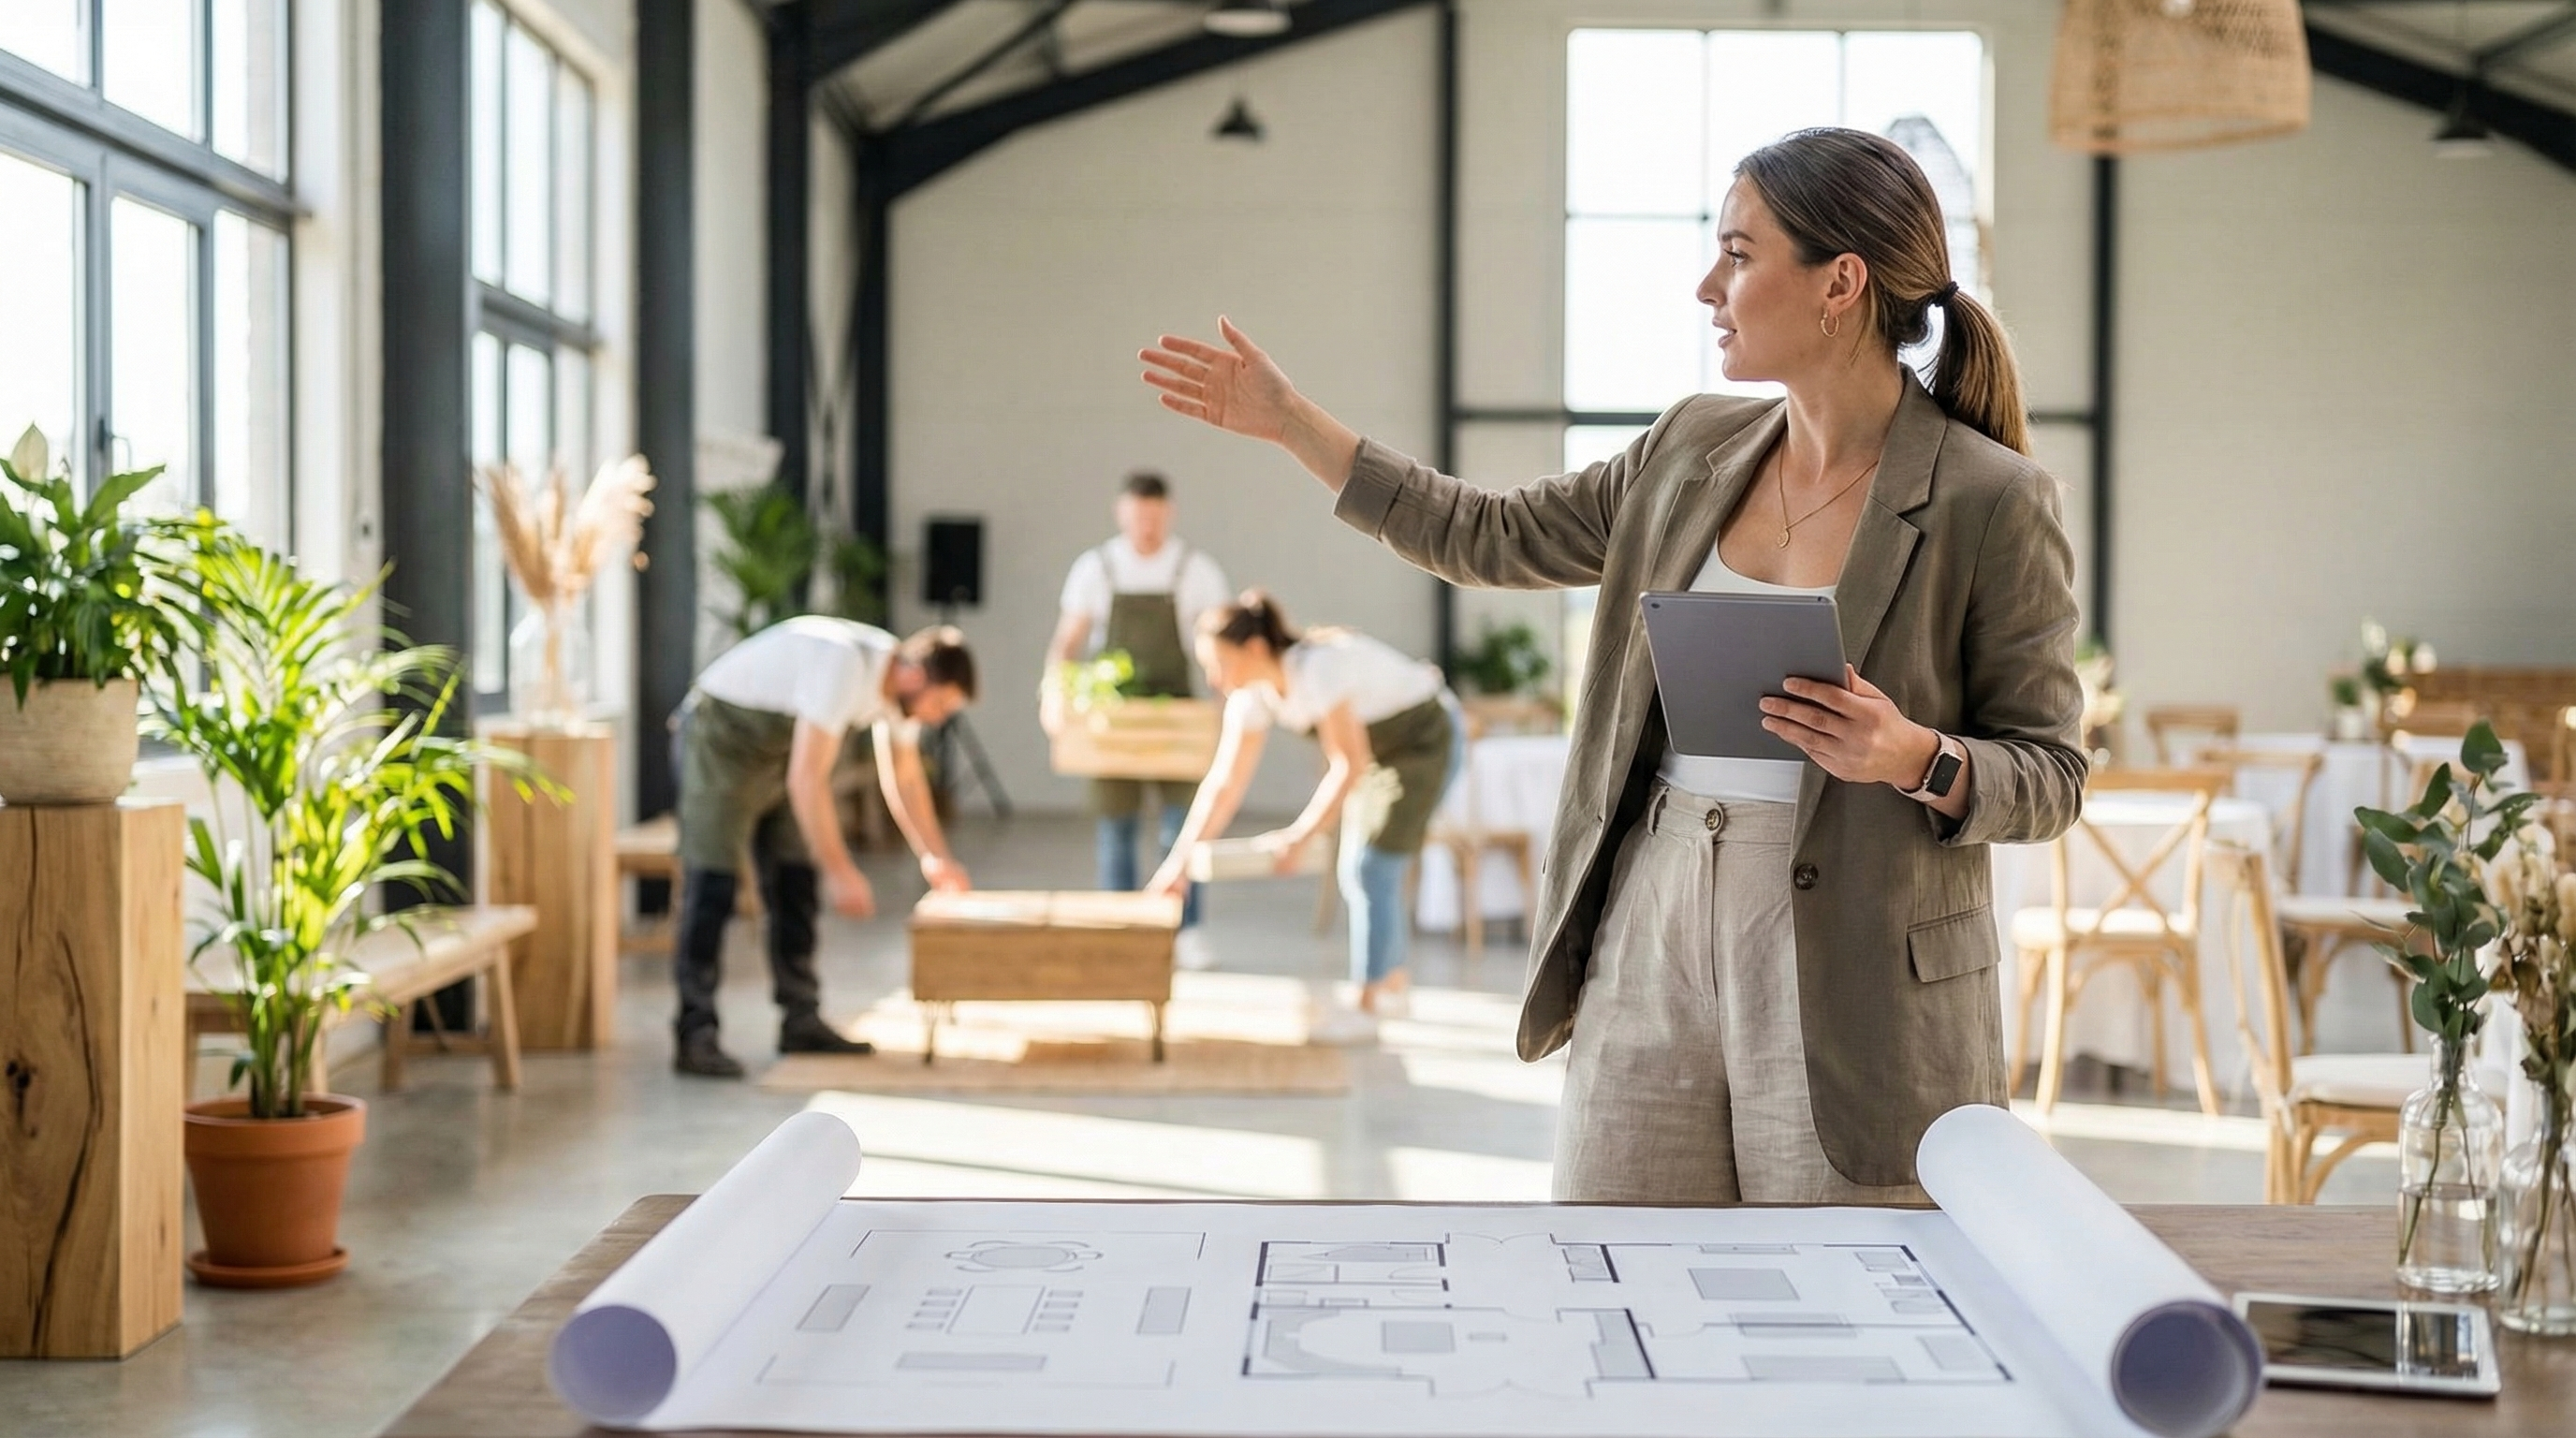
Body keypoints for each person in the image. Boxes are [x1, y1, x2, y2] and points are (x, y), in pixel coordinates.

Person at [1139, 127, 2086, 1202]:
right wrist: (1291, 426)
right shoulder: (1689, 446)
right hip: (1656, 908)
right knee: (1612, 1261)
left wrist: (1917, 755)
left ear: (1841, 283)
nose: (1705, 286)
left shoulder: (1991, 498)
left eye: (1737, 254)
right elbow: (1484, 533)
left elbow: (2052, 775)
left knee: (1842, 1299)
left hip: (1858, 956)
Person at [1145, 594, 1464, 1046]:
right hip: (1377, 754)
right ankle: (1391, 983)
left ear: (1255, 649)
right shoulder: (1252, 697)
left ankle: (1368, 1006)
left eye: (1220, 663)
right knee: (1360, 871)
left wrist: (1297, 836)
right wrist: (1179, 866)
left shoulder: (1318, 670)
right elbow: (1224, 785)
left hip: (1428, 741)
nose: (1215, 679)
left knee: (1372, 867)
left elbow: (1347, 765)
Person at [671, 617, 979, 1078]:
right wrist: (841, 870)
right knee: (713, 883)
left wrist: (935, 856)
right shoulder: (844, 665)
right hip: (723, 742)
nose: (937, 717)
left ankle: (801, 1019)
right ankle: (696, 1034)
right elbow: (807, 778)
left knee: (795, 880)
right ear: (916, 676)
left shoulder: (898, 691)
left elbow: (907, 776)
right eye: (940, 704)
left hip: (782, 756)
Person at [1041, 471, 1233, 970]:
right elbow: (1068, 644)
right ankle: (1120, 926)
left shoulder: (1196, 570)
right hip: (1113, 716)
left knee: (1182, 827)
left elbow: (1219, 651)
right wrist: (1055, 697)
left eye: (1155, 517)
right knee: (1117, 827)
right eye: (1138, 517)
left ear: (1168, 514)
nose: (1146, 527)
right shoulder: (1096, 568)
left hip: (1178, 716)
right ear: (1121, 513)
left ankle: (1185, 929)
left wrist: (1223, 710)